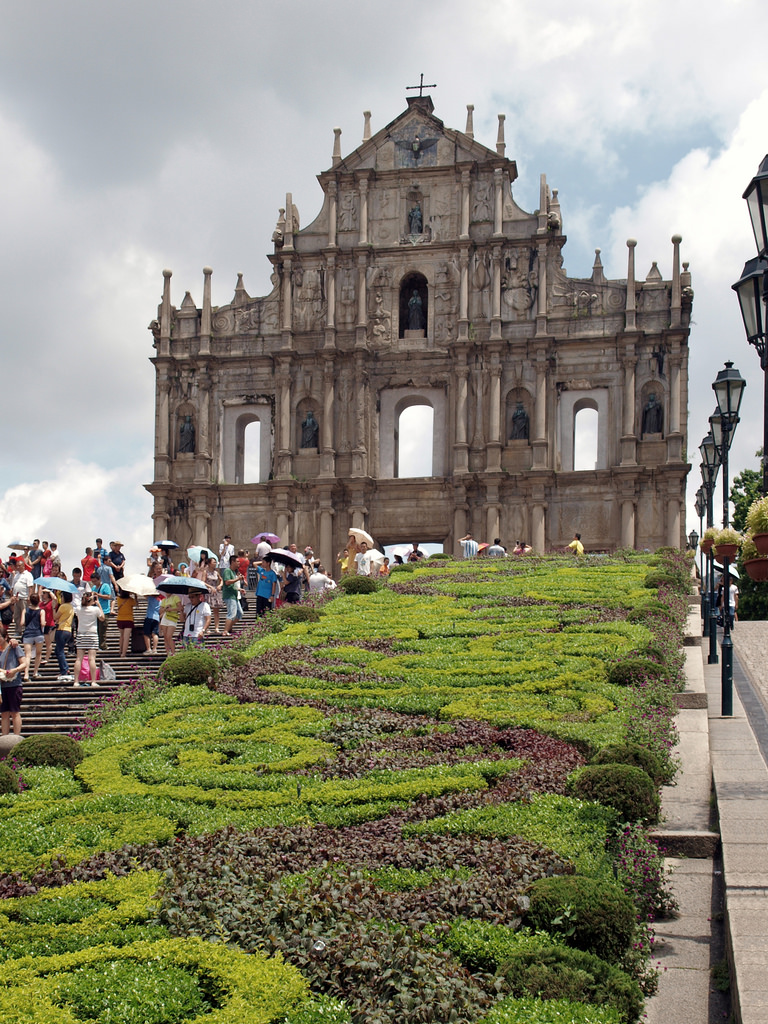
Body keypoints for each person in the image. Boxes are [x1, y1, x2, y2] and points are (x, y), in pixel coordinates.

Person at [0, 625, 28, 735]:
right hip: (2, 686)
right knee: (4, 713)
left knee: (15, 712)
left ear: (5, 637)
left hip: (14, 684)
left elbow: (24, 663)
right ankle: (4, 738)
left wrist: (14, 670)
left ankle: (16, 737)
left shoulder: (14, 647)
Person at [72, 591, 103, 686]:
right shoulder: (95, 610)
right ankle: (93, 681)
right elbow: (102, 618)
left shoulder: (78, 609)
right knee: (92, 659)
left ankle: (76, 681)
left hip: (81, 634)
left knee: (79, 659)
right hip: (92, 635)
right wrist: (98, 604)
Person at [20, 592, 45, 680]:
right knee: (38, 653)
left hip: (28, 633)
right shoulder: (41, 611)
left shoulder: (25, 610)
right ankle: (35, 672)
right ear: (39, 601)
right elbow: (42, 623)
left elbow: (22, 623)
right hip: (38, 633)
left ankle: (26, 674)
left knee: (27, 655)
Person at [142, 564, 163, 654]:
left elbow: (145, 595)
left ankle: (149, 649)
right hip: (157, 617)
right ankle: (155, 649)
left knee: (146, 633)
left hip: (150, 616)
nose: (159, 570)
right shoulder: (160, 600)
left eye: (160, 568)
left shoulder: (151, 598)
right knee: (155, 633)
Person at [221, 555, 244, 633]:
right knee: (231, 614)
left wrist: (239, 589)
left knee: (239, 614)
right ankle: (225, 631)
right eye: (237, 561)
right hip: (229, 595)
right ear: (232, 562)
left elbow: (232, 585)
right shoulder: (227, 570)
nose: (239, 563)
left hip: (234, 595)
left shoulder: (234, 572)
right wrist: (238, 578)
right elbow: (227, 582)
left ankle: (229, 627)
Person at [54, 592, 75, 681]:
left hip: (62, 629)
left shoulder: (63, 606)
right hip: (68, 630)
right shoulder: (71, 607)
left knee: (59, 651)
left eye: (61, 596)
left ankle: (65, 669)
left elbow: (55, 617)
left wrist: (53, 607)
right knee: (58, 650)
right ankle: (64, 668)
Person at [203, 555, 224, 632]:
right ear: (209, 563)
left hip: (215, 592)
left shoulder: (216, 572)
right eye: (214, 562)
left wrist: (220, 585)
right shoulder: (206, 572)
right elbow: (203, 582)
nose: (215, 563)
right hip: (208, 592)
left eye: (215, 562)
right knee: (207, 611)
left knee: (216, 611)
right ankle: (207, 627)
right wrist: (210, 587)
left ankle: (216, 627)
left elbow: (221, 580)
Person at [115, 587, 137, 658]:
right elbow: (136, 604)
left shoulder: (118, 599)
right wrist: (135, 596)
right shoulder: (131, 600)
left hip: (120, 619)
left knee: (121, 636)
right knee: (126, 637)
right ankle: (123, 654)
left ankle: (120, 650)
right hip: (128, 620)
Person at [159, 592, 183, 656]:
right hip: (165, 618)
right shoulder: (164, 600)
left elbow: (180, 608)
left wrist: (171, 609)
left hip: (173, 618)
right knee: (165, 637)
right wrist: (165, 608)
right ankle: (168, 654)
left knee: (169, 636)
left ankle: (173, 653)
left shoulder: (175, 597)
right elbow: (160, 610)